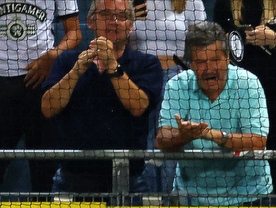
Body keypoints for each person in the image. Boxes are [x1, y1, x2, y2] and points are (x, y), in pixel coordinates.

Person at [40, 0, 164, 197]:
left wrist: (113, 65)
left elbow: (139, 106)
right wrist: (76, 71)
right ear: (90, 21)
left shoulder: (147, 64)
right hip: (72, 178)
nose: (114, 22)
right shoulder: (68, 61)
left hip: (129, 180)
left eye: (122, 17)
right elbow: (48, 108)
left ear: (131, 25)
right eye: (106, 15)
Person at [155, 22, 273, 206]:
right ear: (191, 64)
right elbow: (162, 139)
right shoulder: (177, 85)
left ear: (227, 57)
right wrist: (183, 136)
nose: (209, 68)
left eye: (216, 60)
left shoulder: (248, 83)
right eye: (201, 62)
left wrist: (215, 136)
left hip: (248, 195)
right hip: (191, 197)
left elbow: (257, 141)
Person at [214, 0, 276, 196]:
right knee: (236, 166)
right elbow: (216, 47)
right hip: (237, 99)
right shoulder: (225, 3)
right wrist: (233, 41)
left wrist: (275, 40)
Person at [0, 0, 81, 194]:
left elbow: (74, 32)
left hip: (42, 83)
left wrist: (53, 55)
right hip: (2, 85)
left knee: (44, 170)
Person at [128, 0, 208, 196]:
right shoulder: (129, 2)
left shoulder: (190, 2)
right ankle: (144, 203)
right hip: (138, 79)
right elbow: (117, 41)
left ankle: (172, 203)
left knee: (172, 142)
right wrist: (129, 19)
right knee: (143, 145)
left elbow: (201, 43)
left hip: (176, 78)